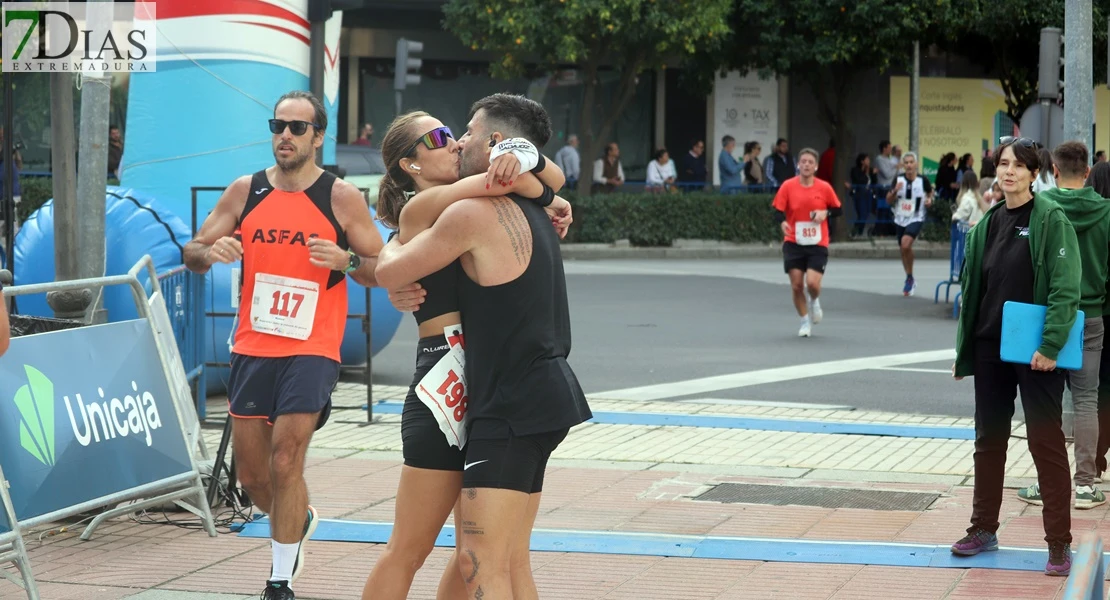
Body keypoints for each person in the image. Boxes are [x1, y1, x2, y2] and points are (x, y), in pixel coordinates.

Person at [375, 93, 593, 600]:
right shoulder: (433, 205)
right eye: (437, 139)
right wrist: (543, 189)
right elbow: (389, 264)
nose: (452, 141)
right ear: (410, 163)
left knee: (483, 557)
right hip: (443, 383)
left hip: (487, 384)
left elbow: (533, 181)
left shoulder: (472, 205)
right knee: (429, 550)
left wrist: (540, 184)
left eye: (454, 132)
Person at [183, 90, 385, 600]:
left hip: (313, 346)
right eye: (278, 126)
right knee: (253, 477)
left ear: (318, 136)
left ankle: (278, 581)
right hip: (254, 345)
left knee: (285, 460)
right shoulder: (245, 191)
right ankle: (299, 519)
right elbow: (192, 251)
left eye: (298, 128)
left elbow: (382, 268)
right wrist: (212, 250)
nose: (285, 136)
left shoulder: (340, 198)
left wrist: (346, 262)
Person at [950, 136, 1080, 577]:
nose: (1008, 172)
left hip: (1036, 353)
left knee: (1045, 445)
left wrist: (1050, 345)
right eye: (1003, 164)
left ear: (1033, 172)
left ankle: (1059, 544)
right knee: (989, 442)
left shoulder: (1050, 218)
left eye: (1018, 166)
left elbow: (1066, 286)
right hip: (991, 349)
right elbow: (975, 292)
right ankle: (983, 527)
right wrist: (965, 352)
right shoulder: (987, 223)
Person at [1015, 141, 1110, 510]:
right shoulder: (1105, 211)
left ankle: (1046, 482)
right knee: (1087, 399)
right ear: (1087, 172)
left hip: (1048, 315)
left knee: (1047, 403)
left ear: (1053, 170)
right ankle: (1085, 485)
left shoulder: (1042, 209)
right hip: (1092, 314)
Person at [772, 148, 842, 338]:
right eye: (803, 161)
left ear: (816, 166)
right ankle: (804, 321)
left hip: (817, 242)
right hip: (794, 240)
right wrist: (783, 222)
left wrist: (825, 213)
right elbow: (777, 210)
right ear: (798, 164)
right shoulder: (788, 186)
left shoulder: (824, 187)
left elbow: (838, 209)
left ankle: (815, 299)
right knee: (796, 285)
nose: (806, 165)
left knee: (812, 283)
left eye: (810, 162)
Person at [886, 152, 934, 296]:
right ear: (903, 165)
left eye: (911, 162)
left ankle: (909, 277)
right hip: (900, 218)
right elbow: (888, 200)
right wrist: (895, 190)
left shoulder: (922, 180)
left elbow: (930, 193)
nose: (908, 165)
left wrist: (929, 201)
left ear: (916, 164)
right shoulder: (898, 179)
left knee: (906, 244)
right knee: (903, 249)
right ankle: (909, 277)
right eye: (906, 163)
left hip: (916, 217)